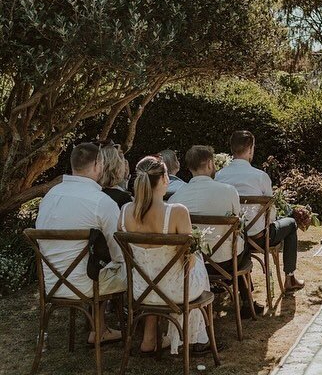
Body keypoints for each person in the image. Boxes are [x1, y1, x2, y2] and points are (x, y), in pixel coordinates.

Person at [120, 156, 214, 355]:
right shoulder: (177, 212)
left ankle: (150, 338)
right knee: (197, 261)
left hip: (141, 291)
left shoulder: (125, 211)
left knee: (156, 274)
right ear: (164, 179)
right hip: (176, 292)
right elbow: (188, 263)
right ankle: (193, 338)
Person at [36, 142, 126, 345]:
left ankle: (100, 327)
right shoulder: (100, 201)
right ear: (97, 165)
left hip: (51, 283)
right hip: (88, 285)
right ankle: (145, 333)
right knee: (132, 270)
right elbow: (120, 252)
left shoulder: (50, 196)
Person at [168, 145, 263, 310]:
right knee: (241, 239)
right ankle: (247, 299)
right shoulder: (228, 191)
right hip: (225, 262)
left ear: (189, 167)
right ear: (211, 164)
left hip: (191, 264)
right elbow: (238, 222)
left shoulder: (176, 198)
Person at [215, 131, 305, 292]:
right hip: (259, 237)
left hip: (230, 237)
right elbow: (270, 214)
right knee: (291, 223)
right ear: (250, 149)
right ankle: (290, 277)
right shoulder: (260, 177)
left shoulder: (219, 176)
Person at [98, 140, 133, 209]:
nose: (125, 163)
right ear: (117, 165)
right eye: (123, 158)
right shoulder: (123, 199)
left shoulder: (89, 190)